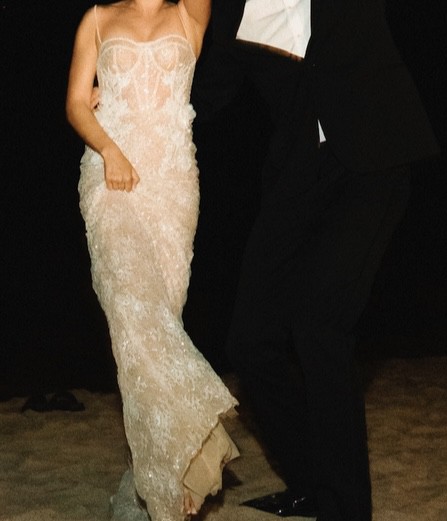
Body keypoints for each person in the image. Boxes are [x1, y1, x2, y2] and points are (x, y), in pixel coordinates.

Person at [192, 1, 440, 520]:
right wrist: (123, 108)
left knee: (320, 325)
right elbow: (204, 98)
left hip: (373, 163)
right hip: (299, 175)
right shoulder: (231, 11)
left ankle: (346, 508)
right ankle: (309, 483)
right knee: (250, 340)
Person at [65, 1, 239, 520]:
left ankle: (152, 484)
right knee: (134, 316)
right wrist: (110, 150)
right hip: (110, 178)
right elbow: (76, 104)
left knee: (157, 330)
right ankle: (194, 450)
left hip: (171, 187)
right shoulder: (97, 19)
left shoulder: (189, 16)